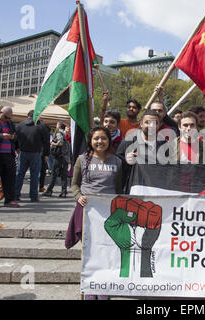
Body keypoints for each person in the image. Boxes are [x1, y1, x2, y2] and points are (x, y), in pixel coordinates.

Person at [66, 125, 123, 300]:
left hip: (108, 214)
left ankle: (103, 287)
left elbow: (119, 188)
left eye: (103, 138)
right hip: (86, 212)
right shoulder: (82, 160)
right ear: (91, 141)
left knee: (107, 252)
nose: (100, 141)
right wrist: (78, 196)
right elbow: (74, 184)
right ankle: (90, 288)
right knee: (89, 251)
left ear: (109, 140)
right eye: (96, 138)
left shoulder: (117, 161)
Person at [15, 110, 50, 202]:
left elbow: (15, 138)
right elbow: (46, 142)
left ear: (27, 116)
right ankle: (33, 196)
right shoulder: (41, 127)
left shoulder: (20, 125)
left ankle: (16, 194)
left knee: (20, 174)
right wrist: (46, 154)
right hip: (36, 153)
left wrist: (16, 148)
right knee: (34, 175)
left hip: (22, 152)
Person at [0, 107, 19, 208]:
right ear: (0, 113)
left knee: (10, 178)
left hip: (8, 153)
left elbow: (16, 136)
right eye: (5, 117)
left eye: (9, 118)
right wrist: (2, 136)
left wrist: (13, 137)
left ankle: (9, 199)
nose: (7, 119)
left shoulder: (10, 124)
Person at [43, 122, 71, 198]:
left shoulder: (59, 133)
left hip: (59, 157)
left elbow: (60, 143)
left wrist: (52, 143)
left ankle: (49, 191)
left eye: (57, 125)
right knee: (64, 175)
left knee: (54, 174)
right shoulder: (65, 134)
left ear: (59, 126)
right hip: (65, 157)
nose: (56, 126)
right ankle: (64, 191)